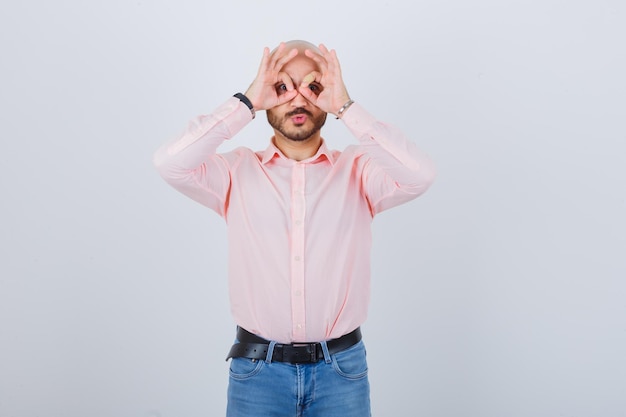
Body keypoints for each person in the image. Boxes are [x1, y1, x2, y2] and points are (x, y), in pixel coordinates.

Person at [153, 40, 436, 417]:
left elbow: (420, 174)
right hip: (257, 374)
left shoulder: (359, 171)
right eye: (283, 87)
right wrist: (246, 102)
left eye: (314, 88)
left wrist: (347, 108)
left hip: (341, 373)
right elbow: (169, 163)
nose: (298, 100)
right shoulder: (235, 172)